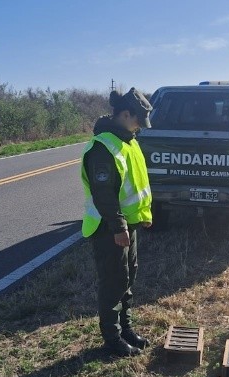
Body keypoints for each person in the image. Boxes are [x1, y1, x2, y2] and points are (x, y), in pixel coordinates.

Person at [81, 87, 153, 357]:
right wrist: (118, 227)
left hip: (127, 225)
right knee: (113, 283)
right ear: (125, 114)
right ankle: (112, 339)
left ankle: (126, 330)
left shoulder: (128, 141)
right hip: (108, 228)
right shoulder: (103, 147)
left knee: (127, 278)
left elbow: (135, 184)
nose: (140, 126)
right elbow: (104, 194)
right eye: (138, 120)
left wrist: (143, 215)